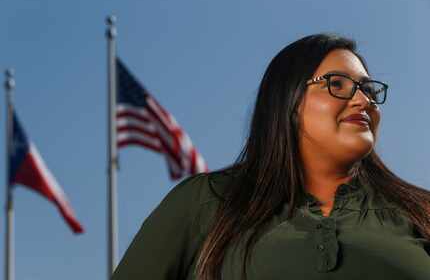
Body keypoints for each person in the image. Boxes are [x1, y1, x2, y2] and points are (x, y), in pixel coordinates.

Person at [111, 33, 430, 280]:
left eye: (369, 91)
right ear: (288, 101)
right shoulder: (204, 202)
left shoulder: (421, 213)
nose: (363, 101)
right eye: (337, 84)